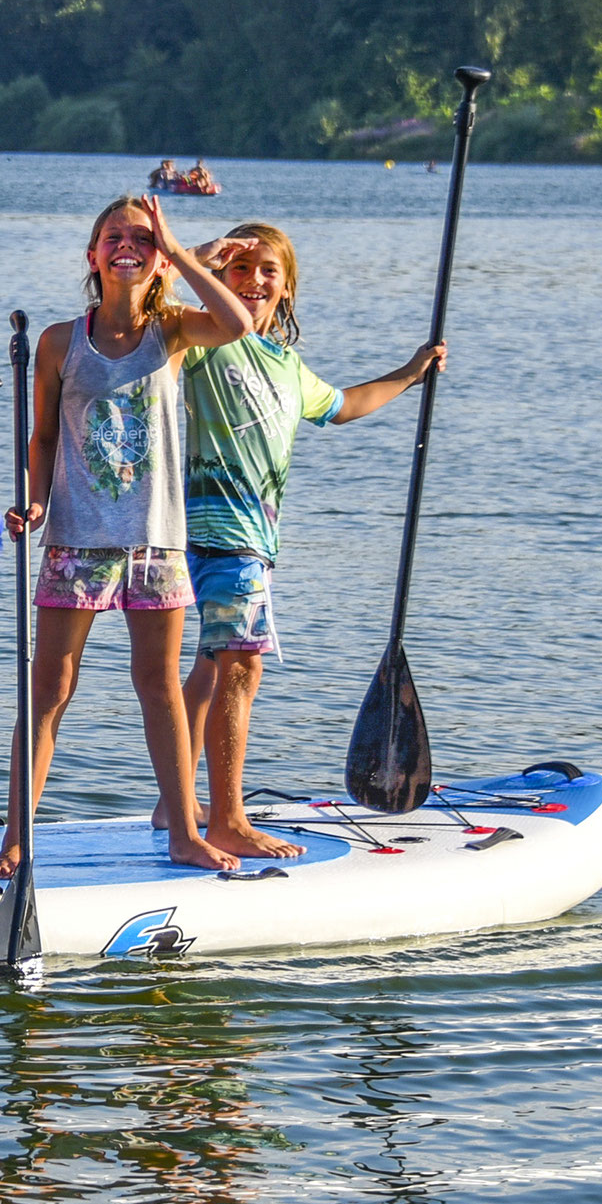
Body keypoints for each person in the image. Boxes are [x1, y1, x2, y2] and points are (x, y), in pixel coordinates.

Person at [0, 195, 257, 874]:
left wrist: (175, 245)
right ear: (93, 255)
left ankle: (182, 832)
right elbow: (45, 436)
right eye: (114, 237)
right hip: (77, 541)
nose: (128, 247)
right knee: (49, 689)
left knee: (160, 685)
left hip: (156, 542)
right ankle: (15, 841)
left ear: (159, 257)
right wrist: (32, 504)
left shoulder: (171, 331)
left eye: (141, 240)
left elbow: (237, 321)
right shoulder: (60, 341)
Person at [178, 222, 443, 854]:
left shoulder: (288, 368)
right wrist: (204, 257)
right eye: (239, 269)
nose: (253, 279)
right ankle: (228, 820)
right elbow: (152, 296)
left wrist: (410, 372)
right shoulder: (204, 340)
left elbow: (344, 404)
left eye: (268, 270)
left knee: (213, 667)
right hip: (219, 529)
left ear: (288, 288)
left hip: (253, 538)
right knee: (243, 666)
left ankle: (177, 801)